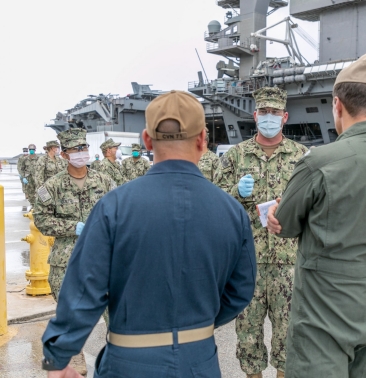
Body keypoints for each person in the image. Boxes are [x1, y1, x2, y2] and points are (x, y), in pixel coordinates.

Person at [40, 90, 256, 378]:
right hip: (199, 359)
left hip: (128, 361)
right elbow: (240, 290)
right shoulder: (232, 211)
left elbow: (83, 291)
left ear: (147, 140)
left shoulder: (113, 207)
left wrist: (57, 358)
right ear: (203, 140)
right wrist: (195, 323)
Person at [266, 51, 366, 378]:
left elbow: (285, 225)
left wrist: (278, 210)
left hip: (325, 310)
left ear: (337, 104)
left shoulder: (320, 162)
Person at [215, 86, 308, 378]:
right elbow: (215, 203)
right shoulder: (235, 156)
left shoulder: (302, 156)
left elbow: (314, 203)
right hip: (247, 264)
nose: (269, 117)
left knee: (288, 336)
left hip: (289, 263)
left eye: (275, 112)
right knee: (248, 336)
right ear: (255, 116)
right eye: (264, 112)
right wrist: (235, 192)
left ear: (285, 117)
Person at [34, 128, 115, 376]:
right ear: (65, 154)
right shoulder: (53, 185)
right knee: (69, 316)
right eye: (75, 150)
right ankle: (73, 364)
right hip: (66, 260)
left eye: (84, 148)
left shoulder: (104, 181)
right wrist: (73, 228)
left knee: (117, 315)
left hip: (105, 260)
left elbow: (121, 212)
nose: (81, 153)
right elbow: (41, 218)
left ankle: (116, 361)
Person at [18, 143, 40, 207]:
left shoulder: (39, 158)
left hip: (36, 178)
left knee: (38, 193)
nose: (31, 150)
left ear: (35, 150)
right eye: (30, 149)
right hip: (28, 178)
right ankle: (33, 206)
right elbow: (21, 168)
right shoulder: (25, 159)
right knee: (30, 194)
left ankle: (37, 206)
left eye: (32, 149)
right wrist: (23, 177)